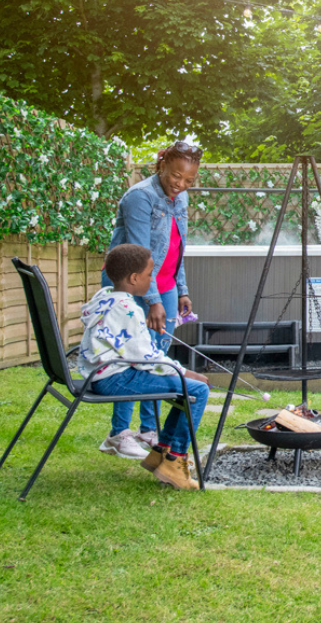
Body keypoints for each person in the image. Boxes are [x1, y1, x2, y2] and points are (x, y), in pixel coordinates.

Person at [97, 141, 201, 459]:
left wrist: (180, 289)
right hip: (134, 285)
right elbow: (140, 253)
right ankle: (118, 433)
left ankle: (148, 429)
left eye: (188, 180)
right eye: (175, 177)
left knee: (156, 356)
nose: (181, 185)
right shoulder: (140, 197)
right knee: (131, 357)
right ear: (162, 164)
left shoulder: (179, 198)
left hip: (165, 285)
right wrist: (153, 300)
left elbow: (177, 248)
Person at [81, 244, 210, 490]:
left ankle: (161, 453)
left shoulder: (105, 298)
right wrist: (183, 372)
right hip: (115, 377)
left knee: (188, 389)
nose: (152, 280)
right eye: (150, 275)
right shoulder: (128, 309)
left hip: (101, 375)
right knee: (197, 390)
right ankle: (174, 461)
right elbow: (145, 357)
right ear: (134, 278)